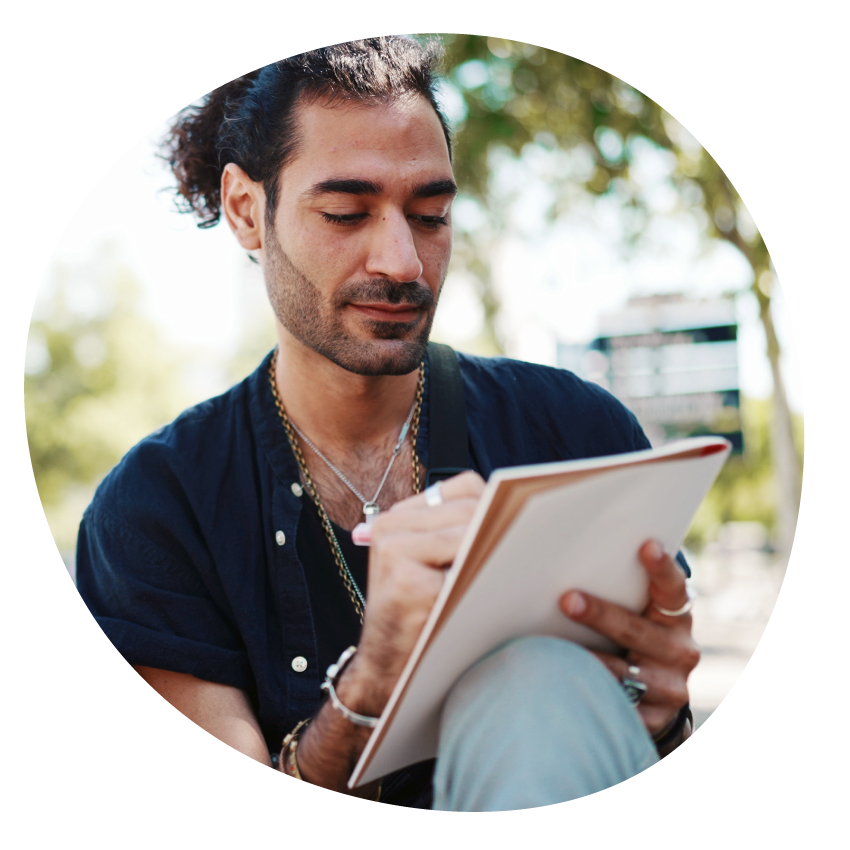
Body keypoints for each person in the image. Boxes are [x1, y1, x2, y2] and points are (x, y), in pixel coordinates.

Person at [76, 36, 697, 810]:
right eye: (346, 212)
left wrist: (663, 718)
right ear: (246, 211)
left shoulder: (575, 430)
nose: (403, 261)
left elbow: (642, 725)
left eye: (431, 214)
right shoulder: (156, 507)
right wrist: (371, 682)